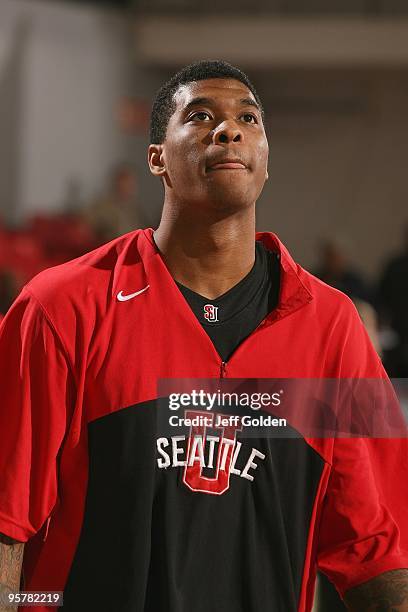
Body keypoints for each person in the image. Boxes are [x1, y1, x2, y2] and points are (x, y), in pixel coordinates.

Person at [0, 60, 407, 612]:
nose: (229, 128)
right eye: (200, 116)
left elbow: (378, 555)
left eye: (248, 117)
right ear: (157, 158)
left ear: (266, 162)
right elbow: (7, 529)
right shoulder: (60, 308)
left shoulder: (335, 328)